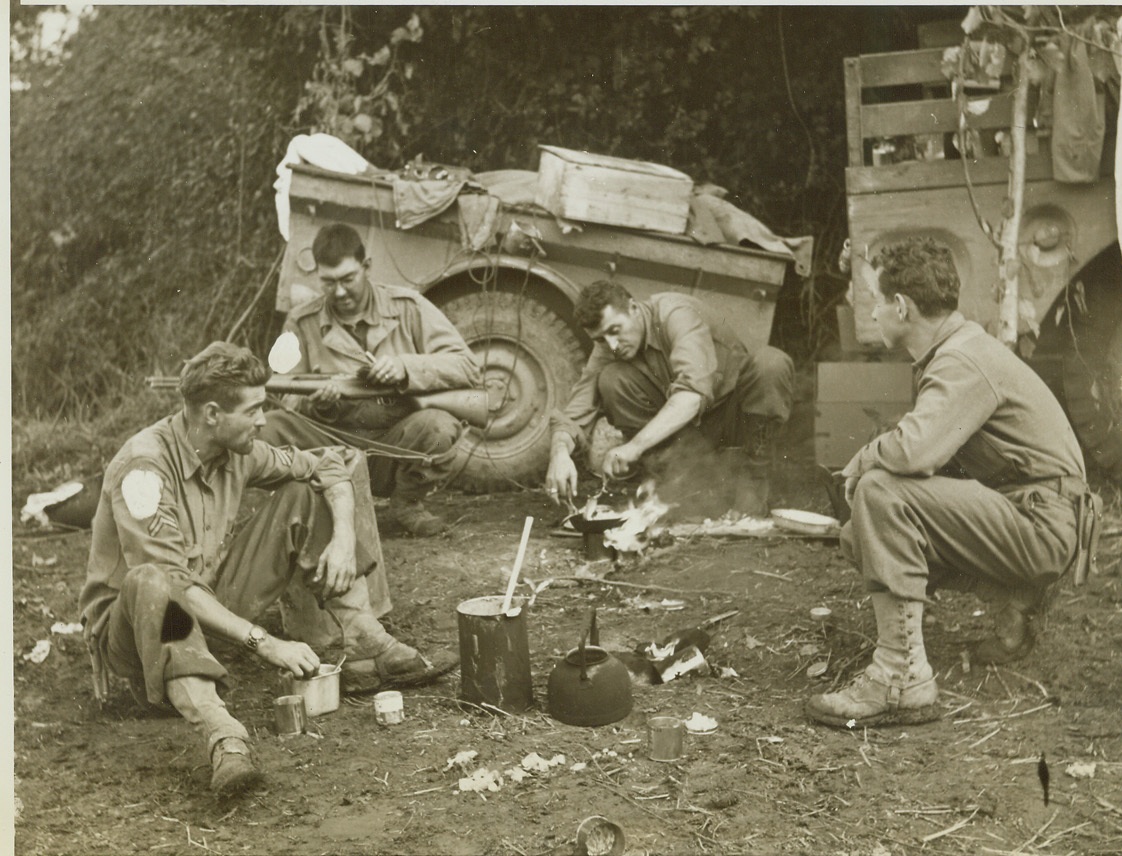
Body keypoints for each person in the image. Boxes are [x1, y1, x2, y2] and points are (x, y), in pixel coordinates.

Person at [79, 342, 455, 796]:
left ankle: (356, 638)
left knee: (303, 492)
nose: (264, 421)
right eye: (254, 409)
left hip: (207, 602)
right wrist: (265, 641)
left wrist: (341, 541)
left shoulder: (237, 450)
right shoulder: (143, 469)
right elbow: (174, 583)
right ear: (213, 413)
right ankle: (225, 737)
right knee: (154, 581)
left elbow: (329, 465)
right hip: (136, 641)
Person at [807, 238, 1101, 728]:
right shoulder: (959, 349)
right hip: (1036, 512)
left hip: (1041, 522)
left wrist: (861, 460)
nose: (874, 313)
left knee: (880, 491)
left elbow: (914, 451)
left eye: (875, 302)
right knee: (861, 528)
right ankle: (1014, 601)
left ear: (901, 306)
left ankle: (900, 678)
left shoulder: (962, 360)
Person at [258, 223, 482, 537]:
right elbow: (284, 389)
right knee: (267, 427)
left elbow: (468, 366)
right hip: (331, 444)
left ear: (367, 267)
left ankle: (407, 503)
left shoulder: (408, 307)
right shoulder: (301, 320)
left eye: (348, 279)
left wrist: (405, 368)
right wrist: (315, 404)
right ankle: (310, 505)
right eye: (328, 282)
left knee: (440, 427)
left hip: (395, 442)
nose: (339, 292)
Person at [545, 281, 794, 517]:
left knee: (770, 363)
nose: (612, 345)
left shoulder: (676, 314)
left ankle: (754, 478)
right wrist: (559, 453)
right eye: (600, 339)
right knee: (611, 379)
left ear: (633, 308)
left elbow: (693, 394)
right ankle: (675, 478)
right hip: (686, 440)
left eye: (615, 331)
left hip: (733, 420)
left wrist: (633, 447)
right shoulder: (608, 347)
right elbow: (576, 412)